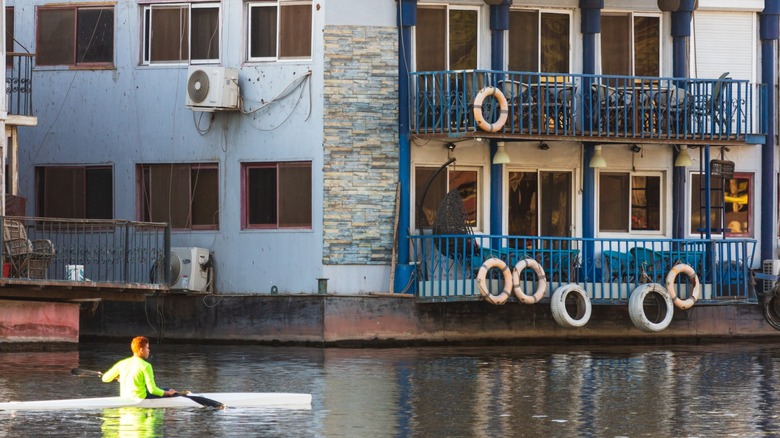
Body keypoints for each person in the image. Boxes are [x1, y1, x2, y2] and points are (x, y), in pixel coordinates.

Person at [102, 336, 177, 400]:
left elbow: (105, 379)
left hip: (125, 398)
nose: (149, 350)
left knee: (162, 390)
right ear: (141, 350)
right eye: (147, 348)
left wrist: (120, 377)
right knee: (167, 390)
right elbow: (152, 390)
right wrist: (168, 393)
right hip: (140, 398)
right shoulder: (146, 365)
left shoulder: (122, 363)